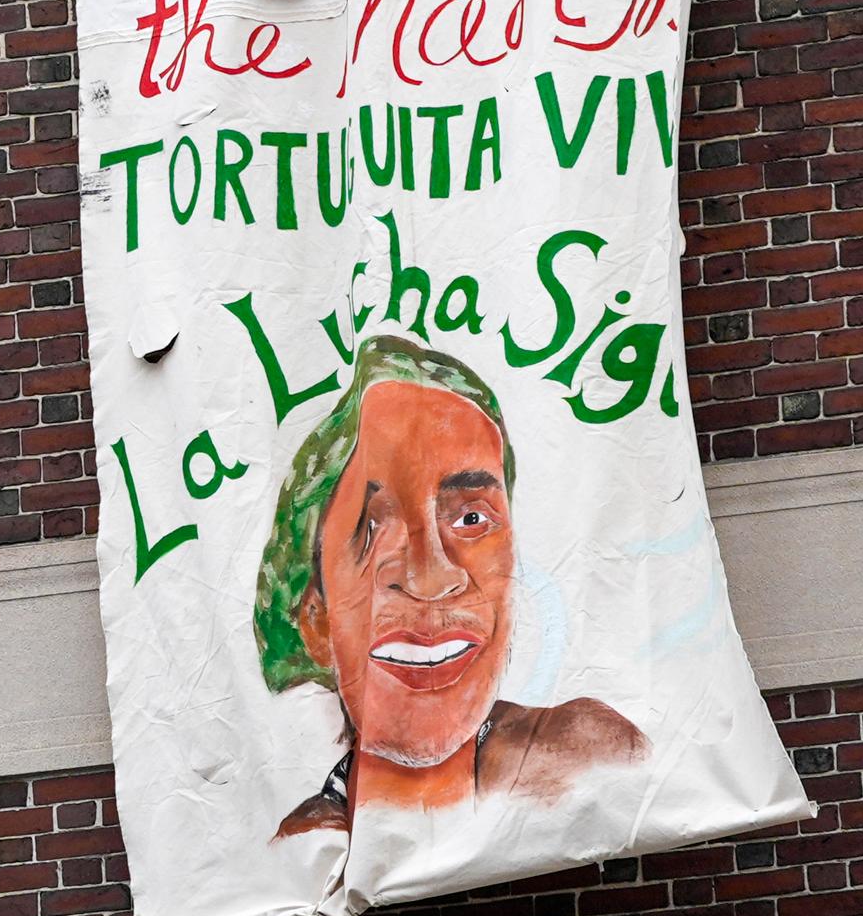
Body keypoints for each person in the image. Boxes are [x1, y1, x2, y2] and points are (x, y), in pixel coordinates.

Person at [246, 334, 643, 843]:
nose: (431, 579)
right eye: (373, 530)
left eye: (472, 517)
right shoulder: (301, 855)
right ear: (316, 620)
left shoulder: (590, 758)